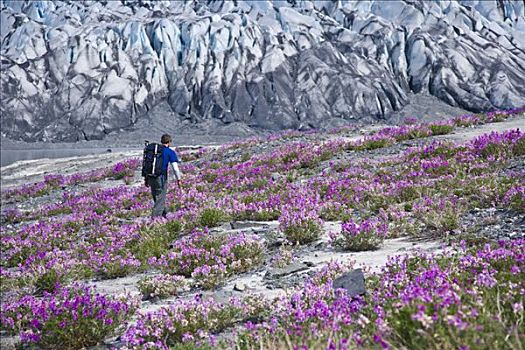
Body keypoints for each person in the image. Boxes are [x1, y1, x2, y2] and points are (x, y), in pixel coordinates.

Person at [145, 134, 182, 218]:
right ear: (169, 142)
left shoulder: (154, 151)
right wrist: (178, 179)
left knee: (157, 197)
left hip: (151, 176)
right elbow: (175, 168)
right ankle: (155, 219)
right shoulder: (170, 152)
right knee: (160, 198)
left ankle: (164, 215)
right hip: (161, 177)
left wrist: (146, 179)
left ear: (161, 141)